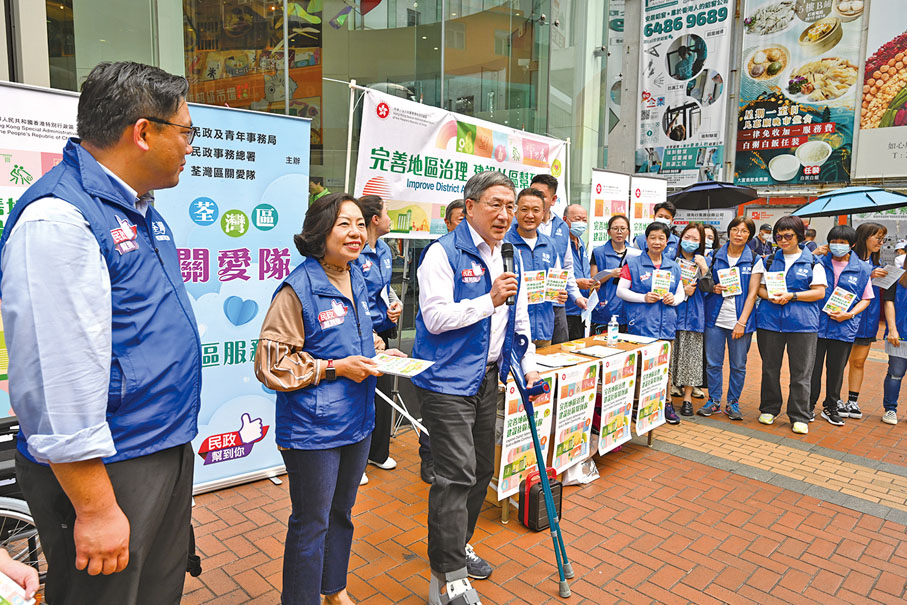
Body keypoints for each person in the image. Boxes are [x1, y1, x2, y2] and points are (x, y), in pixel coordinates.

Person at [0, 61, 200, 602]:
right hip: (108, 469)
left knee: (157, 591)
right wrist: (95, 507)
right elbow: (56, 377)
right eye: (185, 132)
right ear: (142, 132)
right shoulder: (59, 219)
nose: (189, 147)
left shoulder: (140, 209)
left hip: (157, 444)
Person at [254, 193, 403, 604]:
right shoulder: (296, 288)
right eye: (344, 224)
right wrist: (334, 368)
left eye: (359, 223)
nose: (356, 233)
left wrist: (377, 350)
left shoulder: (356, 275)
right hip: (312, 431)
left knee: (341, 514)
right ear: (321, 232)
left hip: (357, 421)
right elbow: (270, 365)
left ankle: (333, 589)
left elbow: (352, 337)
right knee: (311, 523)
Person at [411, 171, 540, 604]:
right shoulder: (441, 254)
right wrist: (489, 301)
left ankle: (457, 545)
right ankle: (447, 577)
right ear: (469, 207)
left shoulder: (511, 255)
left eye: (510, 205)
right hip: (447, 381)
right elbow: (434, 318)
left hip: (489, 377)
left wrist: (529, 360)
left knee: (483, 468)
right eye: (495, 205)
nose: (505, 214)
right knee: (455, 475)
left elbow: (518, 315)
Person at [754, 216, 827, 435]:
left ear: (799, 236)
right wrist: (770, 297)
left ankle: (799, 415)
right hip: (769, 323)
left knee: (801, 372)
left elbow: (819, 292)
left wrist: (792, 295)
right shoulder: (767, 260)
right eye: (778, 236)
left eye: (788, 235)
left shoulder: (813, 262)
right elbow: (758, 288)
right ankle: (769, 408)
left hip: (802, 325)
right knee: (769, 368)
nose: (783, 240)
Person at [617, 221, 686, 424]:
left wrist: (676, 299)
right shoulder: (634, 264)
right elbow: (621, 291)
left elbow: (680, 292)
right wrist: (643, 297)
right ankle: (637, 405)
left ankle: (666, 404)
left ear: (667, 241)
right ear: (646, 240)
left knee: (665, 368)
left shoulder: (673, 266)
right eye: (653, 237)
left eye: (661, 238)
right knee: (640, 367)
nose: (657, 242)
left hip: (666, 325)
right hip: (641, 325)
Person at [356, 195, 403, 485]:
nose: (390, 220)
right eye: (387, 214)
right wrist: (368, 333)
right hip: (361, 334)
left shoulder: (384, 250)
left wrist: (395, 303)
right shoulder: (354, 253)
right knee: (362, 396)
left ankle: (378, 452)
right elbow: (354, 295)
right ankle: (356, 463)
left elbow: (385, 289)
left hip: (383, 333)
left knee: (382, 393)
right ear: (375, 219)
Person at [809, 225, 873, 427]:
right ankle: (808, 406)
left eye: (842, 242)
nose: (837, 246)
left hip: (843, 327)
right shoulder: (817, 263)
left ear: (852, 245)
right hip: (816, 326)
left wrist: (850, 314)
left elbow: (866, 298)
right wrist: (813, 253)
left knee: (836, 371)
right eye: (833, 241)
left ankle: (831, 407)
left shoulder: (862, 268)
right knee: (812, 370)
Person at [699, 217, 762, 420]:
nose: (738, 234)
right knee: (713, 363)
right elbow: (705, 284)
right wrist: (714, 288)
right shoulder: (715, 255)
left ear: (749, 236)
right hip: (715, 319)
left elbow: (753, 294)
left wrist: (742, 322)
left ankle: (733, 403)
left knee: (738, 365)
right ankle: (714, 400)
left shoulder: (754, 259)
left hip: (740, 321)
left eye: (743, 231)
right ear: (729, 232)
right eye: (735, 229)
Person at [504, 188, 566, 347]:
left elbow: (557, 282)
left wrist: (560, 294)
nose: (530, 215)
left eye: (536, 210)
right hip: (513, 333)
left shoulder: (550, 244)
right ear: (516, 211)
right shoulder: (503, 244)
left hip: (544, 332)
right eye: (524, 209)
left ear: (544, 213)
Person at [530, 174, 586, 344]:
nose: (535, 199)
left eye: (541, 195)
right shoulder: (521, 227)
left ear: (553, 199)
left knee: (559, 350)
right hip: (529, 304)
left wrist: (576, 296)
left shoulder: (561, 226)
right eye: (532, 193)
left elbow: (566, 266)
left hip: (556, 301)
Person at [843, 223, 889, 419]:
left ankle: (852, 401)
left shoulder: (877, 264)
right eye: (877, 237)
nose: (880, 242)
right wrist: (867, 276)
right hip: (844, 317)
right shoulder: (847, 260)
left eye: (882, 238)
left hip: (868, 320)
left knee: (859, 362)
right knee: (838, 362)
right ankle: (833, 398)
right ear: (863, 238)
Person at [670, 223, 710, 416]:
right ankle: (668, 396)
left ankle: (687, 399)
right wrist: (681, 290)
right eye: (687, 237)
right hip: (672, 314)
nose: (690, 242)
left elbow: (711, 288)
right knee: (670, 357)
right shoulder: (671, 259)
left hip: (694, 314)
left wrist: (704, 268)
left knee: (691, 357)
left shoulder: (704, 260)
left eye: (695, 239)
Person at [590, 215, 641, 333]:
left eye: (623, 229)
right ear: (608, 232)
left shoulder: (636, 254)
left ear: (628, 231)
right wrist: (610, 274)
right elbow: (592, 281)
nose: (619, 232)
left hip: (628, 309)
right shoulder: (598, 252)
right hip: (605, 309)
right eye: (615, 228)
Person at [564, 203, 596, 340]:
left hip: (581, 311)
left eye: (584, 220)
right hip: (565, 310)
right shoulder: (560, 243)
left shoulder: (581, 243)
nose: (581, 224)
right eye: (577, 219)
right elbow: (554, 276)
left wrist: (591, 284)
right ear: (565, 220)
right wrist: (577, 283)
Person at [881, 265, 907, 425]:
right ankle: (890, 409)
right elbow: (888, 302)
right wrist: (892, 329)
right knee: (895, 373)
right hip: (900, 334)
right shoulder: (896, 276)